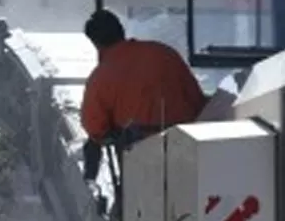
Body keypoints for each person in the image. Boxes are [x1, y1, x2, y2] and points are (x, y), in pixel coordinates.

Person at [79, 9, 206, 176]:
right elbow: (196, 99)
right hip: (186, 149)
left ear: (96, 43)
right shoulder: (165, 53)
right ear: (121, 31)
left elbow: (95, 126)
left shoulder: (101, 76)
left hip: (139, 157)